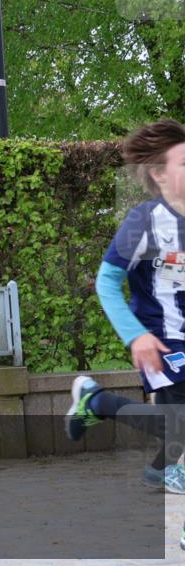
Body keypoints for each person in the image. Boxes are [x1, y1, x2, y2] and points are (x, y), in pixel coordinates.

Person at [69, 118, 185, 492]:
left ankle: (99, 403)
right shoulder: (144, 222)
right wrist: (136, 336)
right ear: (160, 175)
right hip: (162, 341)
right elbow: (106, 282)